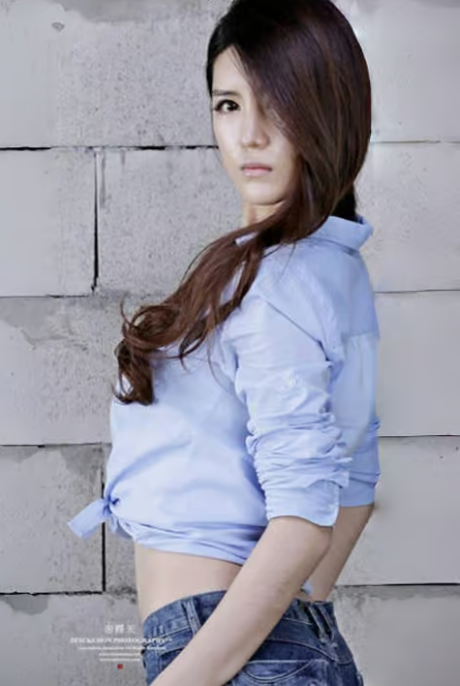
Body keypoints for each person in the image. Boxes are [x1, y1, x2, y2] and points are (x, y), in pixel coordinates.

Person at [68, 0, 381, 684]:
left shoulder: (278, 282)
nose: (251, 135)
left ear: (328, 112)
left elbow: (306, 521)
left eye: (279, 105)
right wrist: (291, 628)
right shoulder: (330, 266)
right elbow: (355, 485)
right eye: (229, 105)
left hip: (223, 653)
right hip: (259, 648)